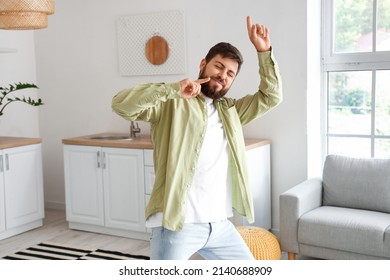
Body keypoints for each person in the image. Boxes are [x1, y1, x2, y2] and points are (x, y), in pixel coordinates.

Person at [112, 16, 282, 260]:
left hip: (220, 225)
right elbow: (121, 105)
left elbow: (271, 97)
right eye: (219, 66)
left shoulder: (231, 111)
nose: (223, 75)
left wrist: (263, 51)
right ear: (203, 63)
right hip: (177, 224)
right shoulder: (171, 104)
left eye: (230, 73)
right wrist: (172, 89)